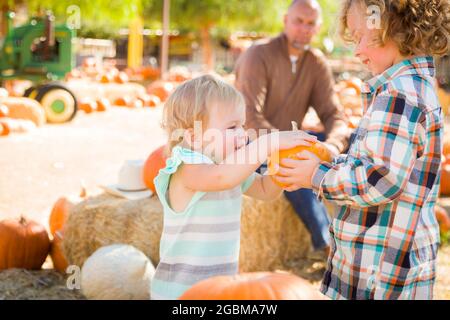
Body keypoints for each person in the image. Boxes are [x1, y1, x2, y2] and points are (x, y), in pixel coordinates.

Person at [272, 0, 449, 299]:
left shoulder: (399, 95)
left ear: (399, 30)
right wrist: (335, 158)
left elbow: (379, 180)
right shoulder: (413, 87)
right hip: (391, 261)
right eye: (353, 39)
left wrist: (316, 176)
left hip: (379, 271)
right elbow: (379, 165)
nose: (356, 50)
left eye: (364, 37)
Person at [150, 75, 317, 299]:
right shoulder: (186, 167)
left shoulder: (230, 166)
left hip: (221, 288)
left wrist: (282, 171)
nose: (242, 134)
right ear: (194, 136)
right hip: (181, 292)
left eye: (242, 125)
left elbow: (265, 191)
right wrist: (268, 142)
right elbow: (221, 178)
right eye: (232, 127)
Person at [234, 0, 351, 255]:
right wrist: (285, 144)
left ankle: (360, 233)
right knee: (291, 164)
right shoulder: (258, 54)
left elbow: (334, 115)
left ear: (318, 27)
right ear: (285, 20)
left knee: (352, 143)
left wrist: (330, 147)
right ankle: (328, 243)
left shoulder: (316, 63)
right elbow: (249, 117)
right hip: (256, 145)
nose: (304, 28)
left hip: (294, 141)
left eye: (311, 24)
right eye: (298, 21)